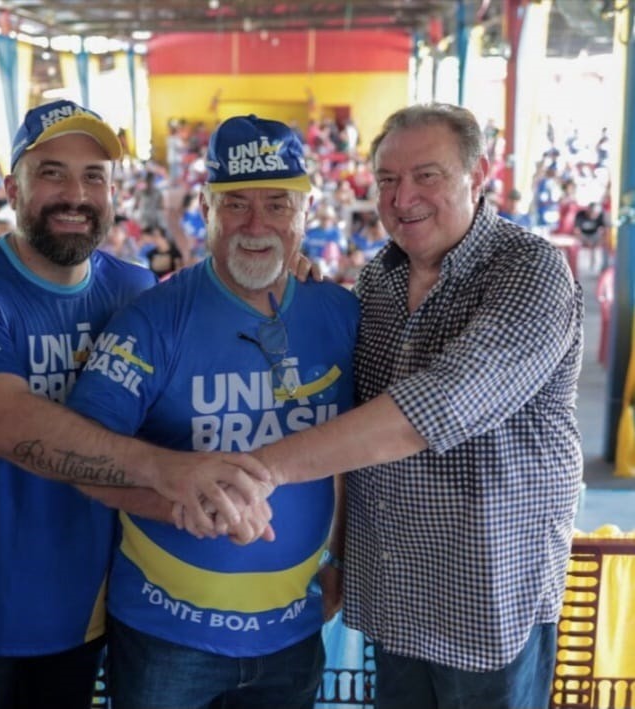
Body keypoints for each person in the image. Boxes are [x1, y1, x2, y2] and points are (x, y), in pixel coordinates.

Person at [179, 103, 584, 709]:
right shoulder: (378, 282)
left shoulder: (529, 269)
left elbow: (440, 404)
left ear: (477, 176)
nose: (403, 197)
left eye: (427, 176)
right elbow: (349, 420)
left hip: (487, 602)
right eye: (388, 179)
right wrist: (297, 291)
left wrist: (257, 471)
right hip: (398, 597)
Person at [67, 114, 360, 709]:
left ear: (306, 211)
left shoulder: (340, 313)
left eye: (277, 204)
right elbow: (79, 456)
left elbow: (355, 454)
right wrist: (177, 502)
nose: (256, 224)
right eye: (236, 204)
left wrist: (341, 558)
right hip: (164, 637)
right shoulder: (153, 319)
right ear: (205, 208)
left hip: (293, 632)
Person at [0, 99, 163, 709]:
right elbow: (3, 424)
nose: (76, 195)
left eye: (93, 176)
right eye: (52, 173)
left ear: (113, 192)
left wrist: (284, 279)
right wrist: (167, 473)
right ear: (12, 188)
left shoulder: (135, 288)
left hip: (78, 600)